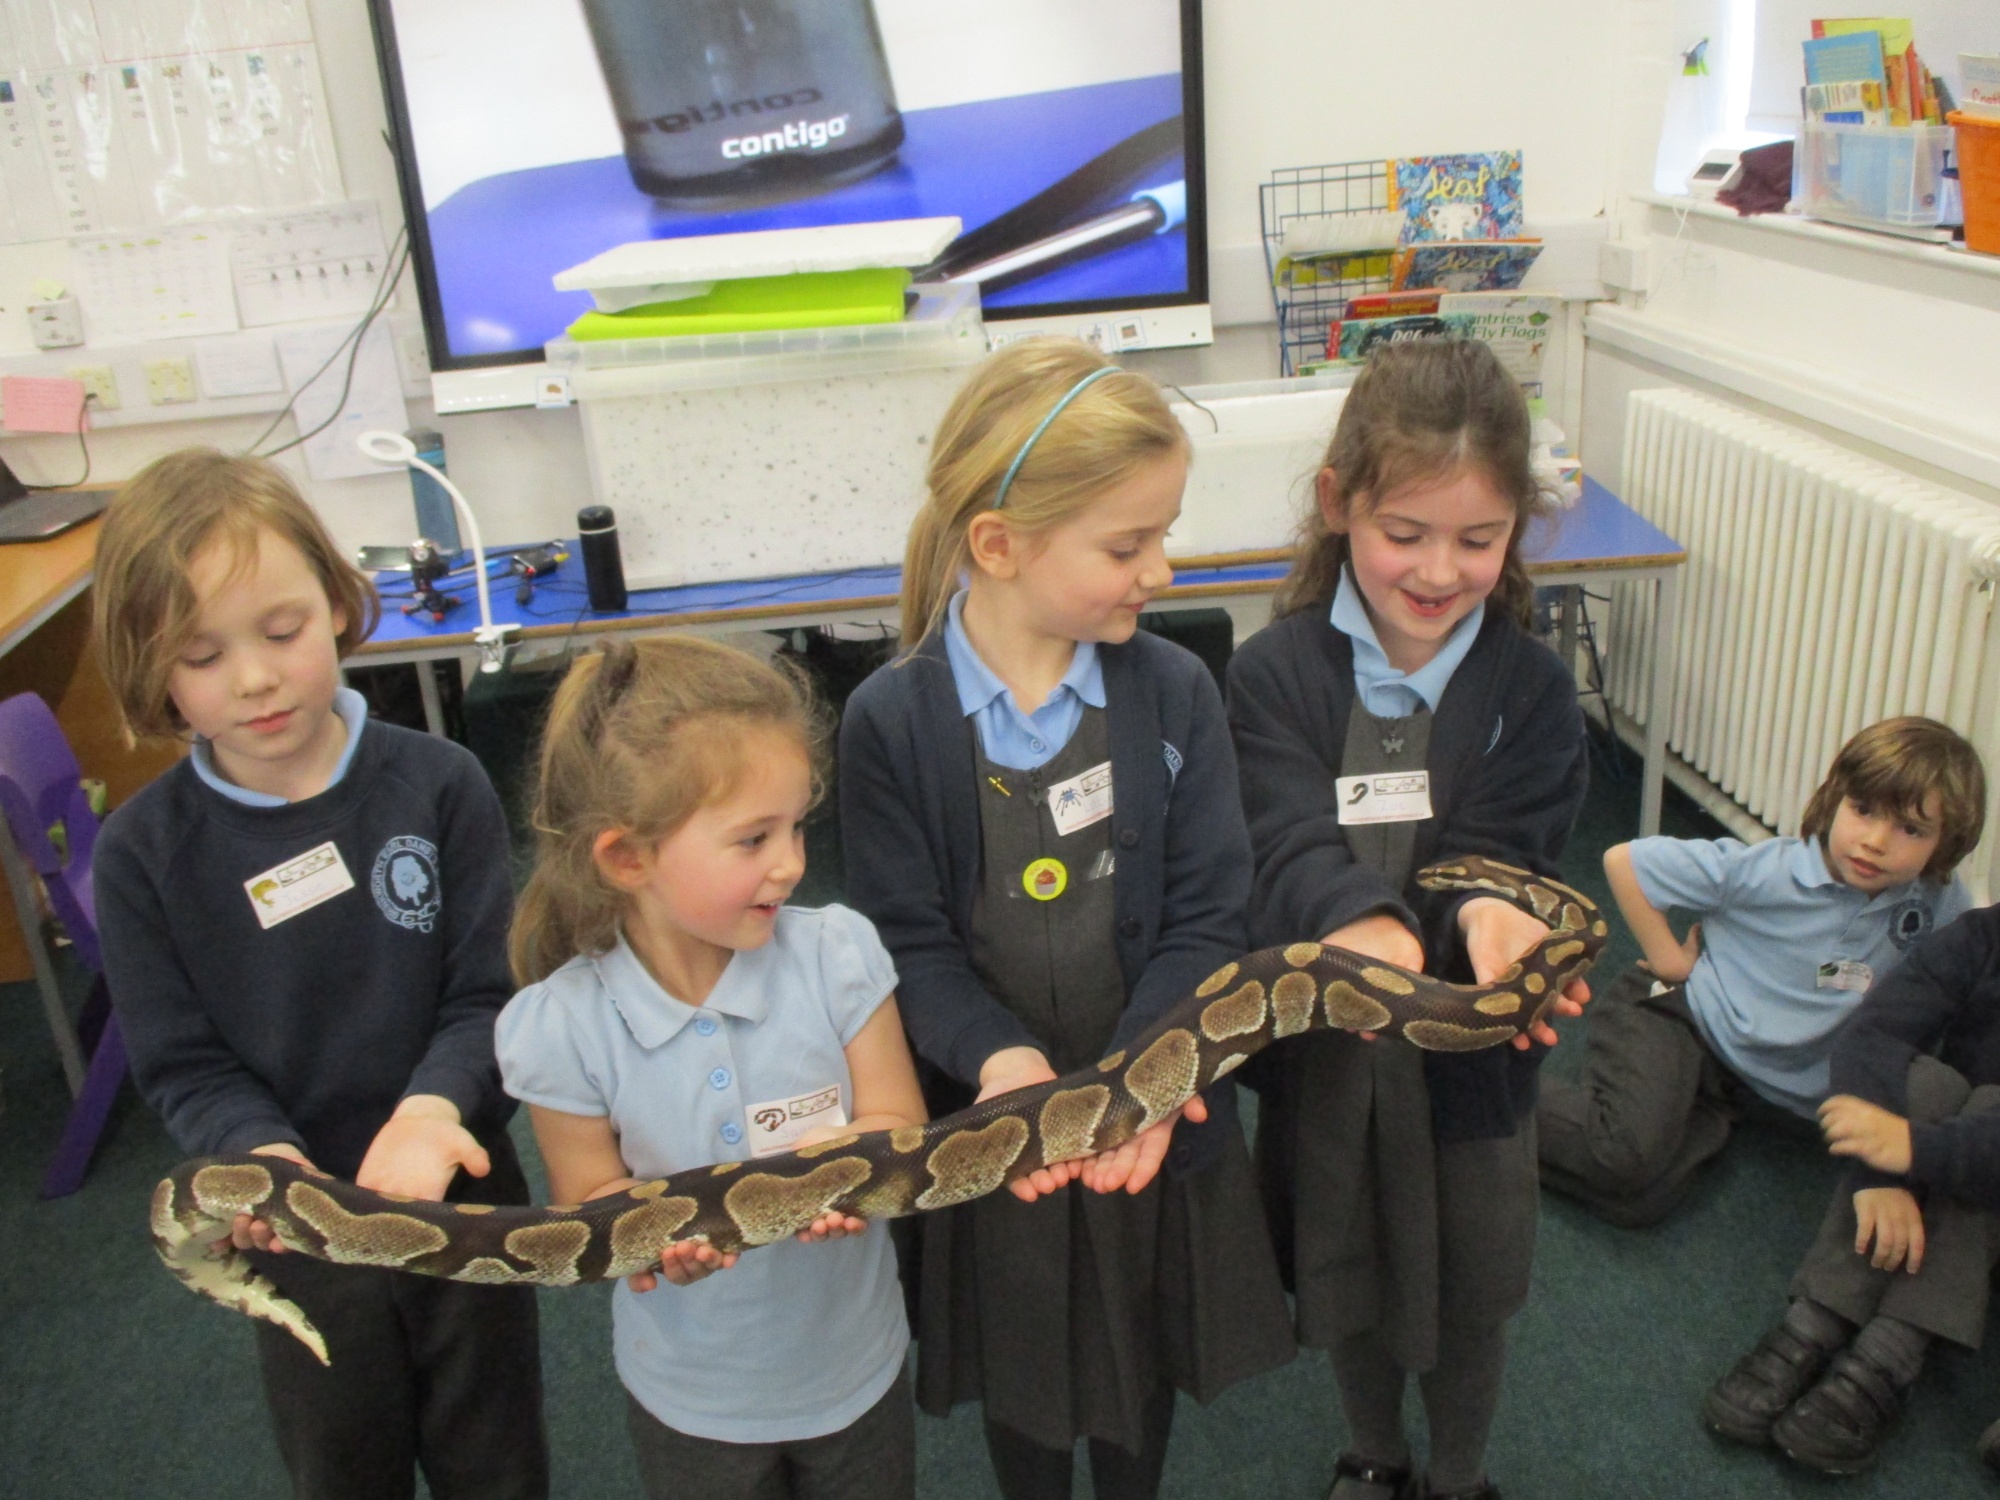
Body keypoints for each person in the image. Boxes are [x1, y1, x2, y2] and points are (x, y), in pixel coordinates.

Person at [839, 337, 1295, 1500]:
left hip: (1152, 1116)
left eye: (1163, 536)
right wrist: (1001, 1063)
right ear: (998, 545)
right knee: (1023, 1365)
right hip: (996, 1132)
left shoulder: (1174, 691)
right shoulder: (890, 721)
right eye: (1127, 546)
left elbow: (1209, 912)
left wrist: (1142, 1078)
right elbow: (904, 946)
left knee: (1143, 1349)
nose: (1161, 572)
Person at [91, 448, 547, 1500]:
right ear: (153, 671)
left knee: (499, 1463)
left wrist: (433, 1112)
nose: (253, 677)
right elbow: (184, 1063)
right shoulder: (143, 853)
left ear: (338, 604)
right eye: (201, 654)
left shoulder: (441, 783)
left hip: (461, 1196)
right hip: (293, 1227)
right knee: (342, 1466)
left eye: (282, 629)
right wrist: (260, 1160)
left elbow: (489, 995)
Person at [1226, 338, 1590, 1500]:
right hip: (1328, 1069)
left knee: (1473, 1290)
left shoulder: (1531, 692)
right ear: (1337, 502)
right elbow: (1281, 843)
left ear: (1515, 530)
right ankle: (1374, 1456)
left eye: (1477, 540)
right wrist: (1365, 926)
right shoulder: (1271, 674)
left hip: (1467, 1083)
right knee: (1342, 1274)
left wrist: (1491, 915)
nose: (1439, 570)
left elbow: (1504, 852)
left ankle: (1459, 1473)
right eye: (1405, 533)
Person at [496, 635, 925, 1500]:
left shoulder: (837, 955)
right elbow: (589, 1205)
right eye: (754, 838)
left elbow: (900, 1124)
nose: (793, 862)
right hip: (692, 1397)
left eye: (797, 826)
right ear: (629, 857)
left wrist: (853, 1163)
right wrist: (655, 1245)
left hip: (854, 1368)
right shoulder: (559, 1027)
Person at [1539, 717, 1983, 1226]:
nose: (1876, 841)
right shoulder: (1771, 871)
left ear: (1944, 843)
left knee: (1641, 1201)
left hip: (1744, 1085)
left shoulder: (1940, 902)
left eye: (1911, 829)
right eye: (1863, 810)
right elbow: (1626, 862)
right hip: (1681, 1015)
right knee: (1623, 1158)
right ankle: (1473, 1097)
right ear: (1835, 799)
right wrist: (1670, 960)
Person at [1704, 902, 2000, 1476]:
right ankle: (1818, 1319)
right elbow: (1875, 1034)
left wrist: (1914, 1149)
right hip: (1946, 1151)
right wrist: (1878, 1177)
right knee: (1928, 1084)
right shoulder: (1982, 935)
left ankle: (1891, 1353)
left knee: (1987, 1116)